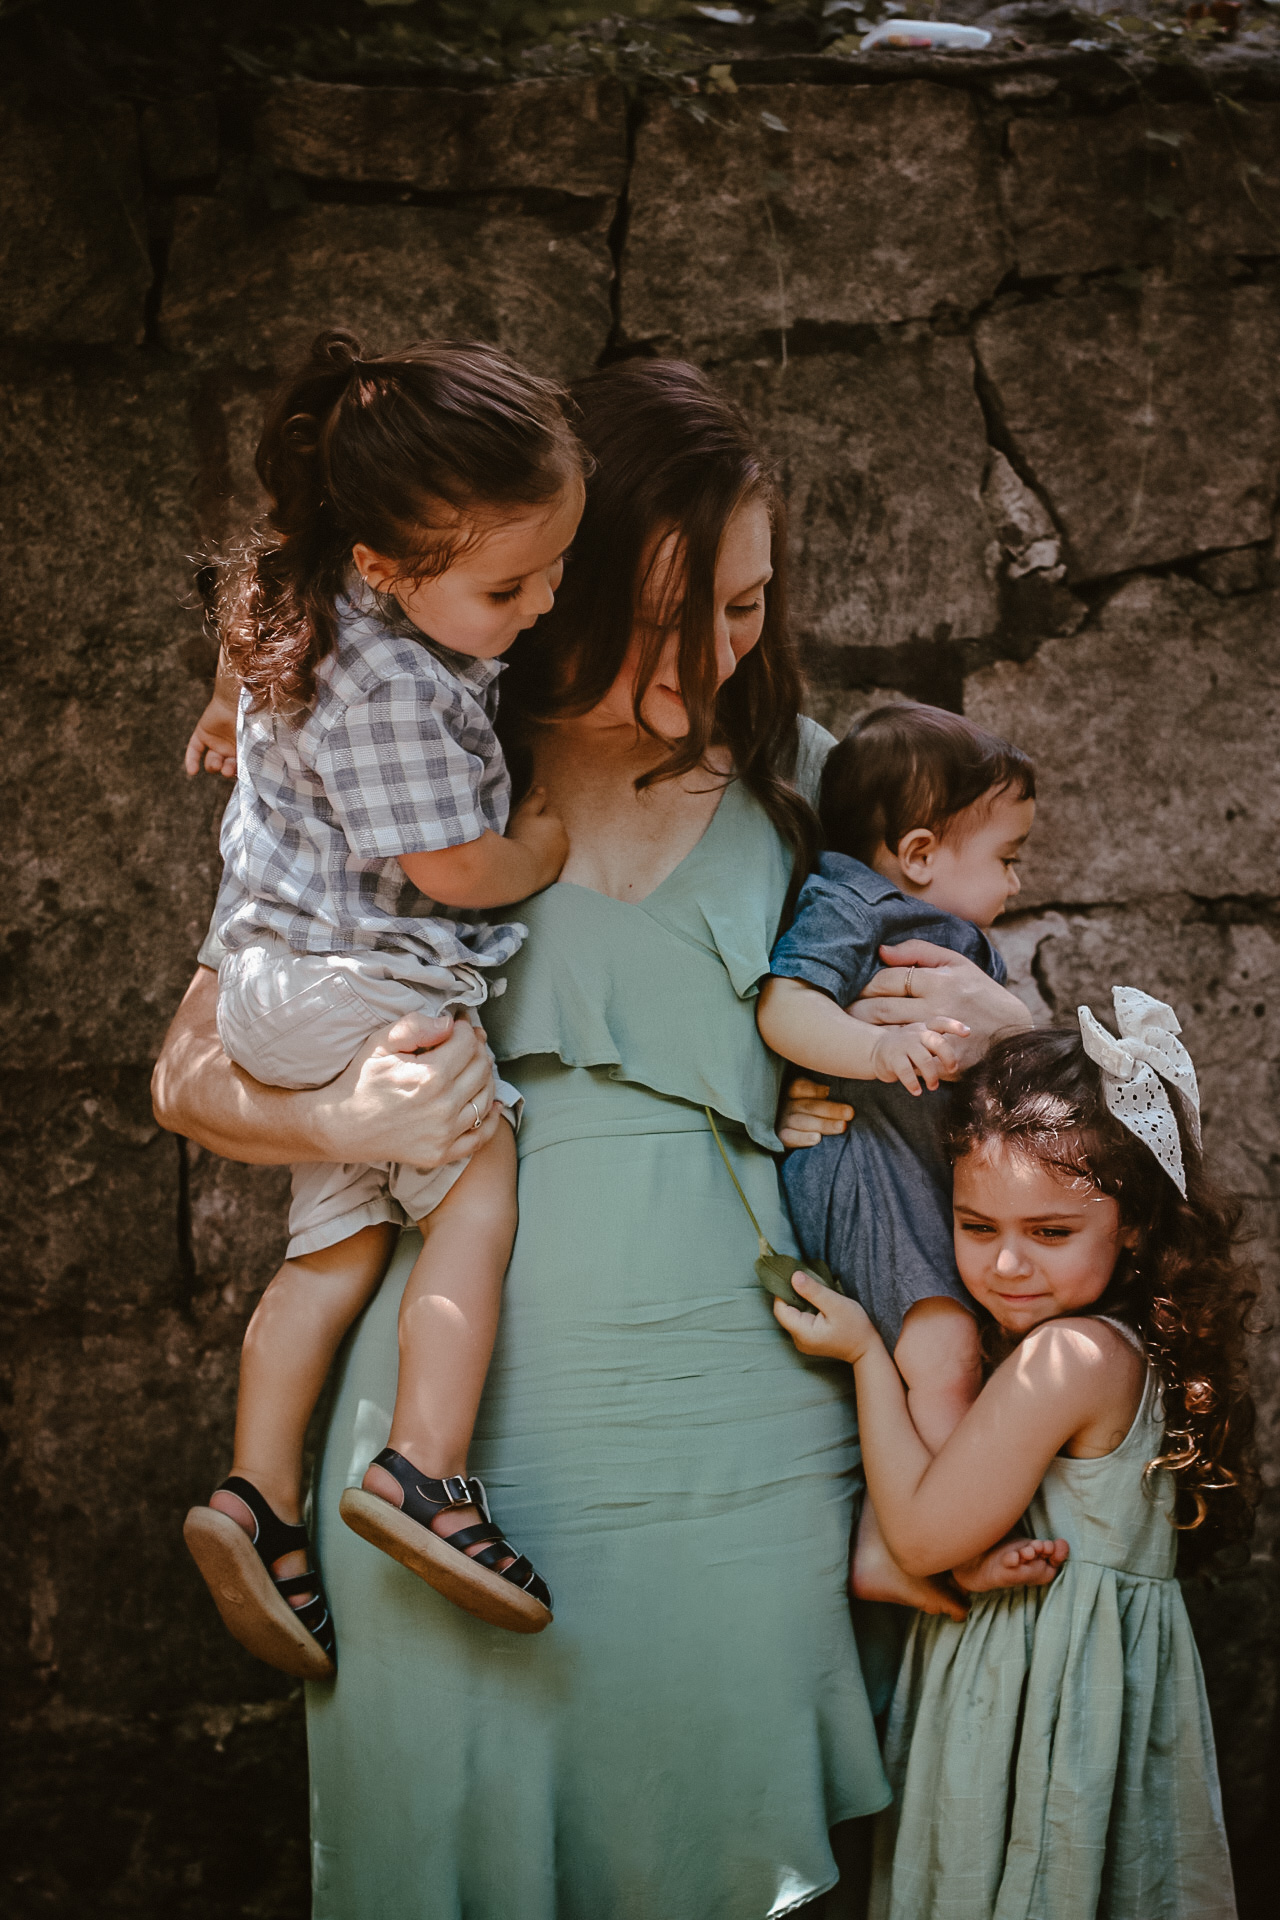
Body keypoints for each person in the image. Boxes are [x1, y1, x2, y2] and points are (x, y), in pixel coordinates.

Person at [153, 358, 1032, 1920]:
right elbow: (186, 1077)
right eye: (660, 614)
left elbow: (1027, 1108)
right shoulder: (401, 767)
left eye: (746, 611)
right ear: (550, 575)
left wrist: (996, 1009)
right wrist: (333, 1114)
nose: (702, 665)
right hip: (451, 1487)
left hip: (763, 1470)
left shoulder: (820, 793)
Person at [181, 330, 585, 1678]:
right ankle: (425, 1469)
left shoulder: (301, 594)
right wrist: (540, 848)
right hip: (367, 984)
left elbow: (240, 638)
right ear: (385, 570)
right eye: (507, 586)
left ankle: (255, 1494)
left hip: (271, 986)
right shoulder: (402, 681)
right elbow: (451, 868)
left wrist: (221, 707)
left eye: (554, 569)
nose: (541, 602)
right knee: (475, 1190)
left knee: (336, 1245)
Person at [776, 991, 1255, 1920]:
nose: (1004, 1266)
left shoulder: (1068, 1358)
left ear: (1138, 1226)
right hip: (1069, 1696)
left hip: (1044, 1711)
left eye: (1050, 1233)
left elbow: (917, 1536)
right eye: (976, 1226)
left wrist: (870, 1358)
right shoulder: (1118, 1345)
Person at [758, 704, 1041, 1613]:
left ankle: (893, 1533)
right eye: (1006, 856)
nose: (1018, 878)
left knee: (950, 1349)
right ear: (919, 853)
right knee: (945, 1352)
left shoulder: (925, 915)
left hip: (908, 1166)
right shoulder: (855, 902)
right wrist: (872, 1052)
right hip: (864, 1163)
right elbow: (784, 1005)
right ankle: (950, 1540)